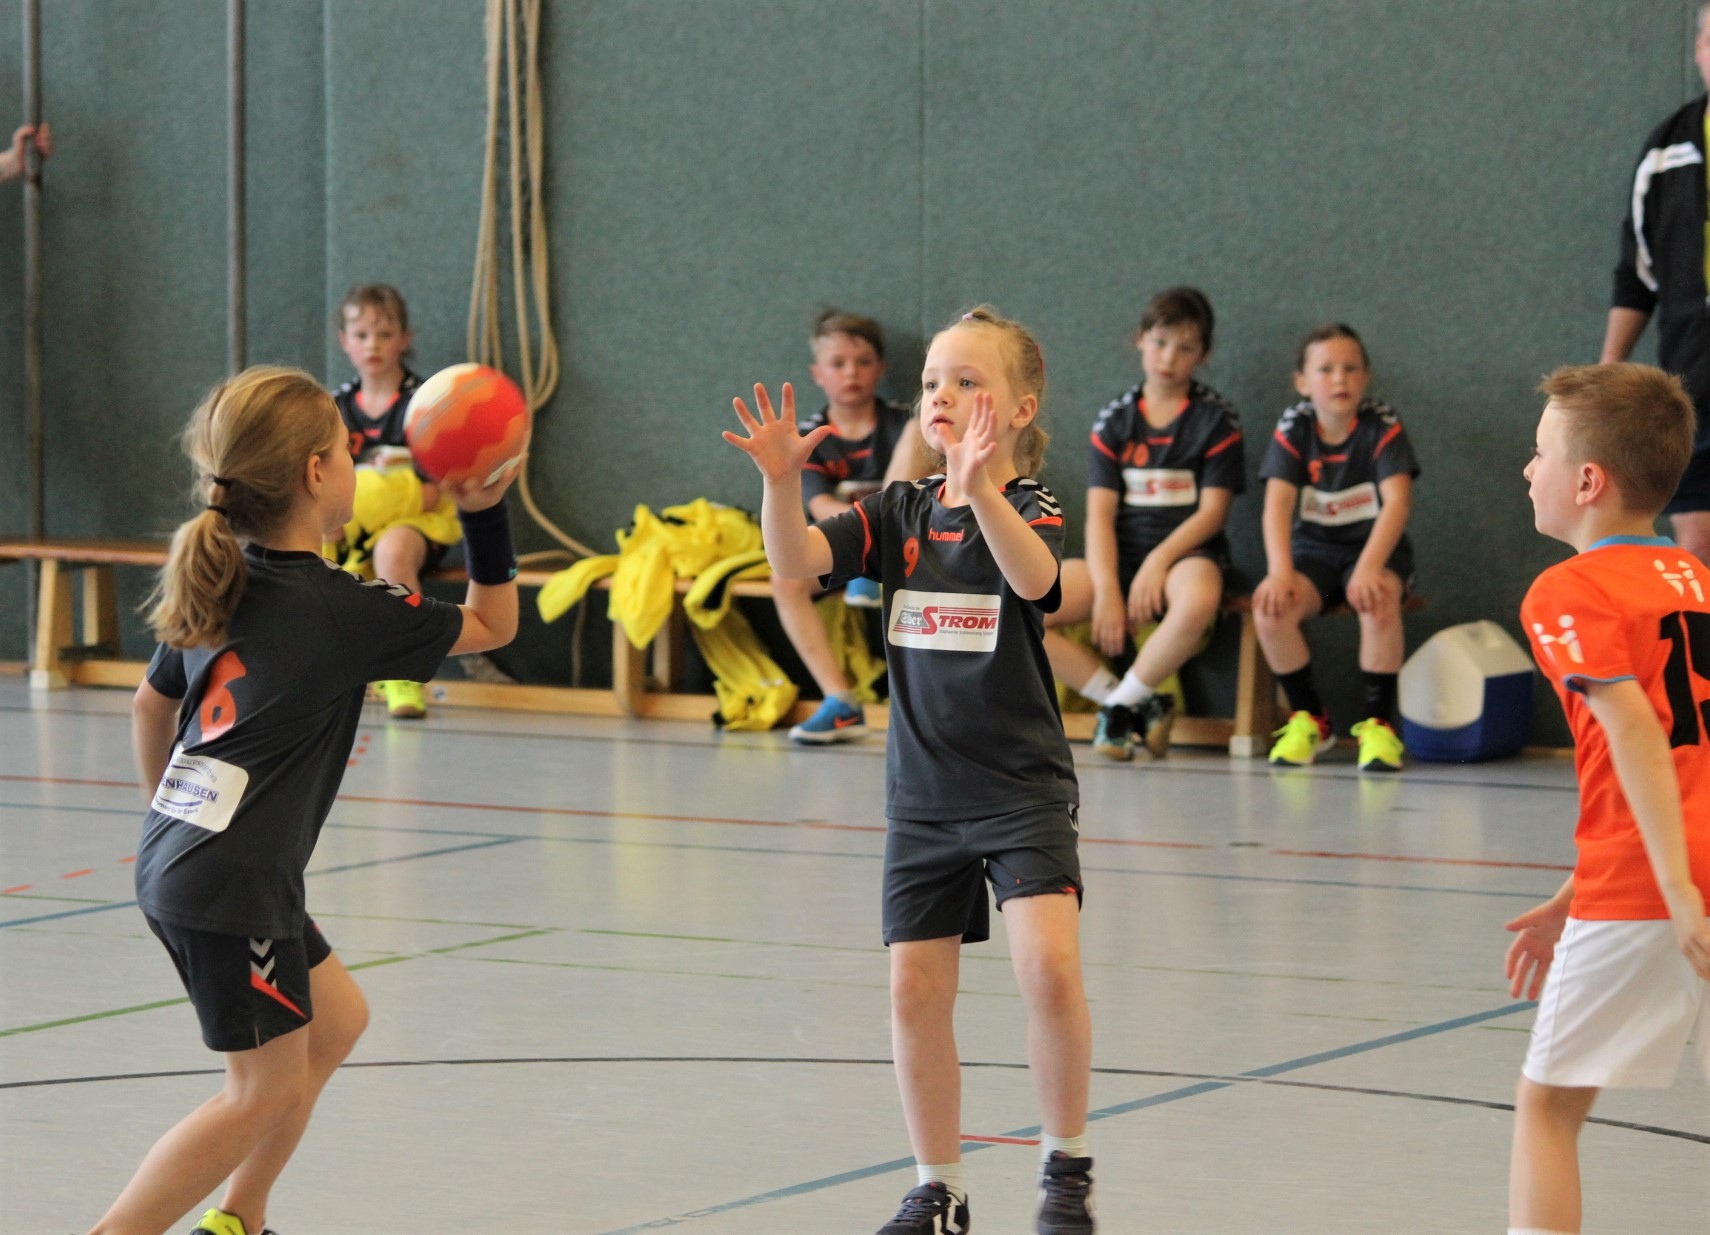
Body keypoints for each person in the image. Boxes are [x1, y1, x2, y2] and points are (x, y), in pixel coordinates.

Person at [90, 366, 519, 1235]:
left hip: (191, 863)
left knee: (337, 1021)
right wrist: (482, 512)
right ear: (315, 473)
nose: (357, 464)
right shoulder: (341, 608)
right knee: (259, 1090)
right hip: (232, 884)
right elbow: (493, 625)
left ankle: (238, 1219)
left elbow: (148, 706)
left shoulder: (221, 577)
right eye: (348, 451)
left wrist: (170, 827)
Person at [725, 307, 1095, 1235]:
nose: (942, 395)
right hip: (924, 800)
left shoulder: (1034, 506)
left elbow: (1038, 582)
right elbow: (794, 559)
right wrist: (781, 481)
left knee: (1049, 969)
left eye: (968, 381)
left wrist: (980, 491)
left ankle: (1065, 1167)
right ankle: (940, 1188)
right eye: (933, 381)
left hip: (1021, 791)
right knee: (914, 990)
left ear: (1020, 408)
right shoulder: (896, 511)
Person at [1505, 362, 1710, 1235]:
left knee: (1547, 1108)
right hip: (1665, 868)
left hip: (1654, 886)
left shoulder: (1569, 590)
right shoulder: (1695, 577)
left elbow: (1635, 731)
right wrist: (1572, 892)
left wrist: (1675, 891)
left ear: (1588, 481)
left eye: (1539, 452)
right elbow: (1687, 756)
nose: (1528, 469)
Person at [1043, 286, 1243, 760]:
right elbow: (1100, 516)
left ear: (1204, 354)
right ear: (1140, 340)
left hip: (1187, 557)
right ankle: (1126, 701)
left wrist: (1157, 562)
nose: (1169, 357)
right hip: (1117, 558)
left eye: (1185, 347)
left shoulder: (1217, 421)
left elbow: (1212, 514)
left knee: (1199, 599)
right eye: (1159, 342)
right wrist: (1107, 590)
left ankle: (1117, 711)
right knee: (1021, 608)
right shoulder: (1115, 421)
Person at [1253, 324, 1418, 771]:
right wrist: (1279, 572)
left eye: (1351, 368)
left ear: (1366, 377)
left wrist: (1369, 566)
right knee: (1271, 609)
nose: (1340, 379)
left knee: (1378, 597)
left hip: (1375, 550)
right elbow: (1276, 506)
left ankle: (1379, 726)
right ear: (1302, 382)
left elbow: (1398, 502)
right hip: (1315, 552)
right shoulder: (1294, 427)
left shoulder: (1382, 424)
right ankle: (1311, 720)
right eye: (1325, 370)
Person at [779, 309, 929, 744]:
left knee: (921, 431)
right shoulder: (809, 436)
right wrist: (865, 541)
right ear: (817, 374)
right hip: (847, 548)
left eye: (863, 362)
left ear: (880, 369)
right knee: (786, 580)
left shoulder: (907, 424)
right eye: (838, 363)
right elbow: (819, 504)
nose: (851, 373)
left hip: (915, 547)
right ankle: (840, 702)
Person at [1601, 3, 1710, 562]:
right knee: (1697, 546)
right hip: (1694, 382)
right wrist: (1609, 367)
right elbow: (1637, 276)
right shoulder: (1666, 151)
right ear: (1699, 51)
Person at [330, 283, 458, 719]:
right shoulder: (336, 407)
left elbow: (430, 492)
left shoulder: (424, 403)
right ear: (344, 341)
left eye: (385, 334)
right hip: (354, 522)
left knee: (392, 551)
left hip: (422, 521)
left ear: (404, 339)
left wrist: (374, 496)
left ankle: (404, 676)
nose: (373, 345)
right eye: (361, 334)